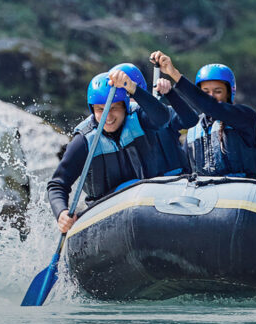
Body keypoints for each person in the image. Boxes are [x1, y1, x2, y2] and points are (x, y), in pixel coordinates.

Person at [47, 65, 170, 233]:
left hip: (144, 207)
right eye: (101, 110)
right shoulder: (84, 140)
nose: (108, 116)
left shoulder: (138, 118)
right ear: (93, 110)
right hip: (104, 214)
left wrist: (133, 88)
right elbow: (57, 184)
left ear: (125, 107)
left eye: (114, 108)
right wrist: (61, 213)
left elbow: (162, 118)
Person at [149, 51, 256, 179]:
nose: (211, 96)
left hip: (243, 188)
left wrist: (174, 74)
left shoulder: (245, 117)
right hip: (207, 193)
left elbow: (211, 107)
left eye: (218, 91)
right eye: (205, 92)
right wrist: (169, 93)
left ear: (228, 93)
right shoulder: (194, 127)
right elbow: (184, 168)